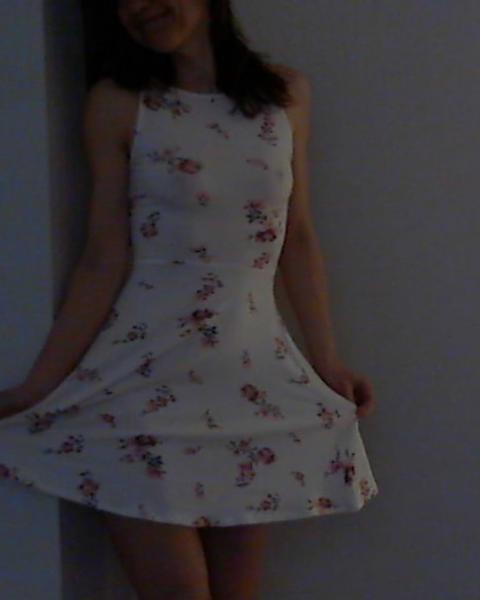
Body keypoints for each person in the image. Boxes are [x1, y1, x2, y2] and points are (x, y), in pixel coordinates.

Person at [0, 1, 379, 598]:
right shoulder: (119, 102)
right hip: (141, 376)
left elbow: (298, 237)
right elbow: (103, 256)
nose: (138, 7)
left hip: (250, 379)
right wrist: (37, 388)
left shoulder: (286, 94)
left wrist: (326, 362)